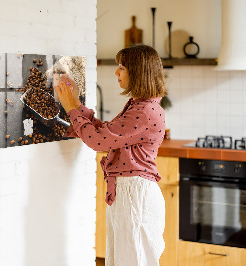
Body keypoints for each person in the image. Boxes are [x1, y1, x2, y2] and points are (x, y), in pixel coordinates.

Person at [55, 44, 167, 266]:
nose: (116, 72)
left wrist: (71, 108)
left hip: (135, 195)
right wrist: (76, 104)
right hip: (130, 193)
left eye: (122, 67)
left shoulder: (144, 111)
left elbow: (98, 141)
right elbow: (106, 133)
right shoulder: (140, 106)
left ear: (138, 72)